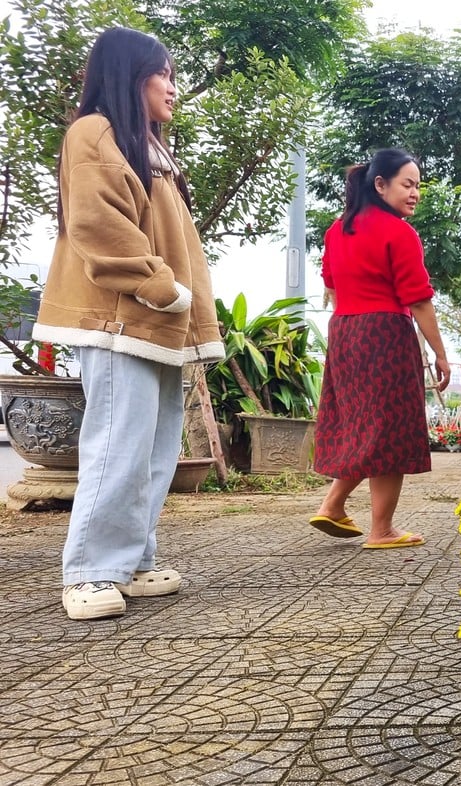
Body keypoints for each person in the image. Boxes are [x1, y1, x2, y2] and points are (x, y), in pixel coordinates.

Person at [32, 27, 224, 620]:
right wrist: (159, 286)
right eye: (162, 73)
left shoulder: (145, 142)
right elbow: (97, 224)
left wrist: (181, 307)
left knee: (155, 448)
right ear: (128, 75)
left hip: (158, 325)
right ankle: (90, 569)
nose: (173, 87)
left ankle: (132, 560)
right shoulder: (94, 133)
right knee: (118, 444)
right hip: (120, 318)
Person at [308, 148, 451, 548]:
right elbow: (419, 299)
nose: (415, 193)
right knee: (389, 430)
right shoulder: (399, 232)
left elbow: (331, 284)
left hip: (345, 332)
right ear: (380, 185)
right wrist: (440, 353)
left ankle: (333, 506)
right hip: (386, 331)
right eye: (408, 184)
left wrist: (351, 321)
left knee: (361, 425)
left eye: (418, 186)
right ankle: (381, 529)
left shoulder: (337, 231)